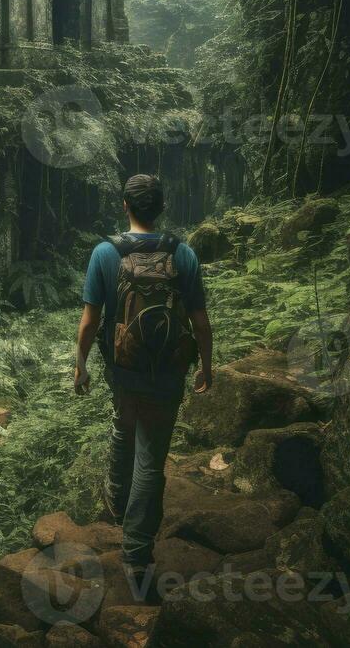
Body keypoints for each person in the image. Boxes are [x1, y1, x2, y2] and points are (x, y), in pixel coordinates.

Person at [72, 174, 212, 601]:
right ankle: (136, 554)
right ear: (162, 207)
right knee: (152, 461)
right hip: (168, 373)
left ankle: (117, 501)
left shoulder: (105, 253)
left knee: (124, 422)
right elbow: (200, 320)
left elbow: (91, 321)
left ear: (125, 206)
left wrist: (79, 364)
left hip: (123, 368)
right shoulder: (182, 253)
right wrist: (207, 366)